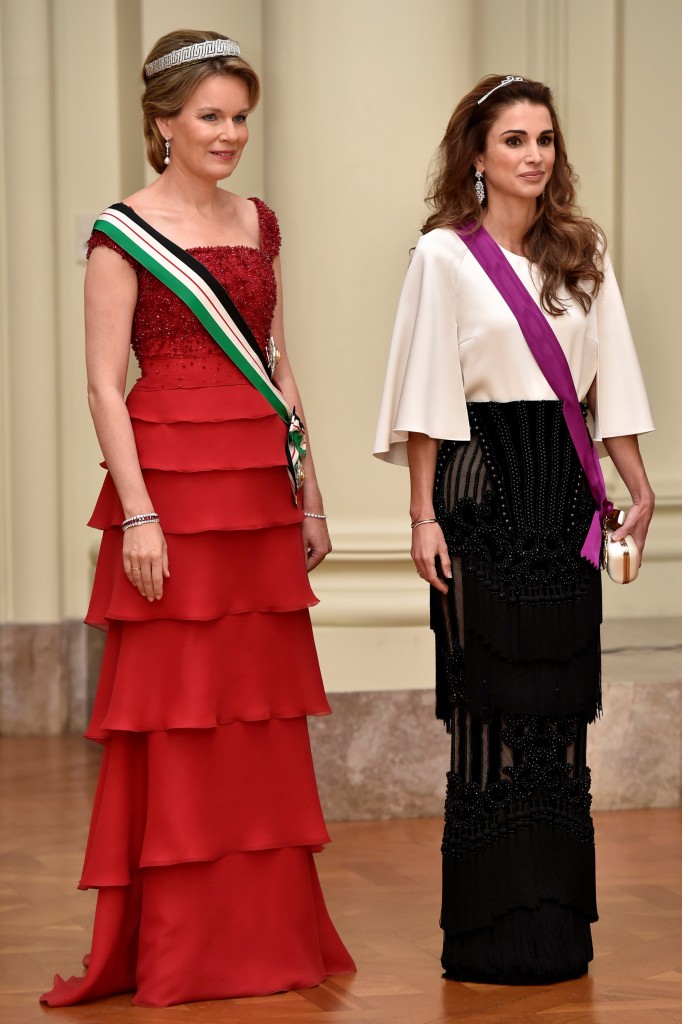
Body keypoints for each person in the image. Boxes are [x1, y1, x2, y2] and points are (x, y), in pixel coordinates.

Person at [41, 29, 354, 1008]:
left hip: (256, 491)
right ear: (163, 123)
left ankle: (265, 940)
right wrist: (137, 514)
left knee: (255, 717)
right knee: (179, 718)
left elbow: (279, 361)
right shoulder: (119, 232)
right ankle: (179, 948)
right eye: (210, 116)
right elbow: (102, 385)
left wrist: (309, 489)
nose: (229, 134)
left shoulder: (260, 221)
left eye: (239, 117)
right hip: (170, 488)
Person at [374, 74, 654, 984]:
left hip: (565, 495)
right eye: (514, 141)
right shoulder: (442, 258)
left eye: (544, 140)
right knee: (489, 713)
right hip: (479, 491)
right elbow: (425, 398)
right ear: (477, 156)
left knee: (560, 716)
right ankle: (489, 934)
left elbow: (611, 382)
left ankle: (555, 931)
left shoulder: (584, 249)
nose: (534, 155)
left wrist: (638, 487)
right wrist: (422, 517)